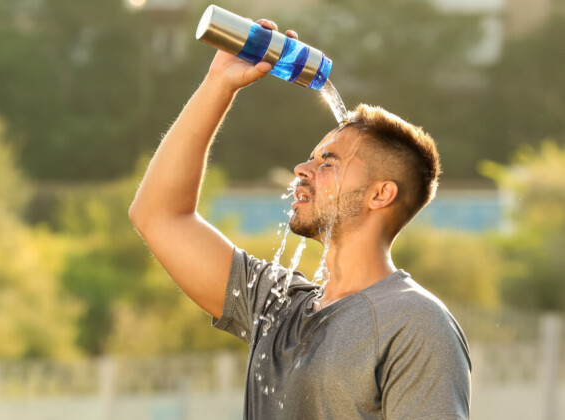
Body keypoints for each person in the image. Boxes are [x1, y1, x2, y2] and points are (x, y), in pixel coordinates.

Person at [128, 18, 471, 420]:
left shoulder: (414, 323)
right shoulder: (277, 306)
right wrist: (219, 83)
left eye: (329, 161)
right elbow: (158, 215)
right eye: (312, 157)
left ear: (381, 194)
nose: (302, 170)